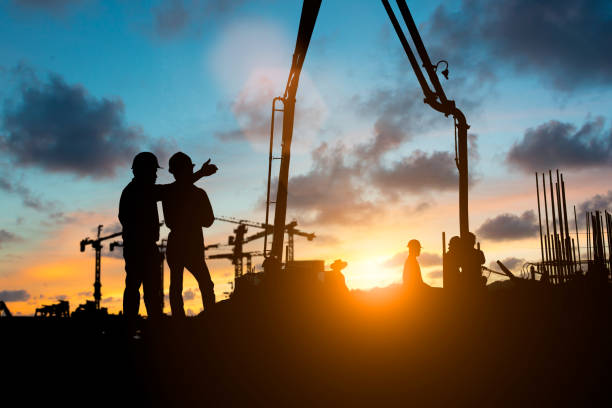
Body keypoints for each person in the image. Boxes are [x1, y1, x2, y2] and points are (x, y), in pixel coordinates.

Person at [119, 152, 216, 321]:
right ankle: (143, 326)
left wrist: (199, 174)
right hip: (141, 247)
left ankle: (151, 325)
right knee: (142, 288)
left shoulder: (139, 191)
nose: (156, 175)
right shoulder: (139, 192)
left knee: (151, 288)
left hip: (145, 246)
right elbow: (175, 189)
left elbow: (175, 188)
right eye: (153, 172)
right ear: (143, 172)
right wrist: (200, 173)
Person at [162, 152, 216, 318]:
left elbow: (171, 222)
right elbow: (208, 221)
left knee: (177, 286)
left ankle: (181, 322)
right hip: (191, 246)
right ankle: (210, 319)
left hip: (178, 245)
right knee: (205, 284)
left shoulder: (169, 193)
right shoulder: (198, 194)